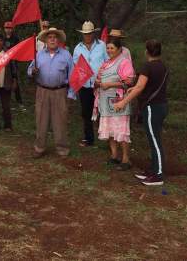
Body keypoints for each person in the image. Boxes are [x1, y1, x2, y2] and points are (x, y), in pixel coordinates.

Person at [113, 39, 169, 186]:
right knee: (154, 139)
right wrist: (135, 88)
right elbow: (147, 85)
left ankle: (158, 175)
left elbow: (139, 87)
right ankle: (154, 169)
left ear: (147, 52)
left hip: (152, 108)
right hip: (161, 106)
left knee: (155, 141)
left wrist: (123, 102)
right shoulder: (163, 66)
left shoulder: (147, 66)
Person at [28, 27, 75, 158]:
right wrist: (33, 72)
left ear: (59, 40)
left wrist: (71, 94)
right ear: (46, 40)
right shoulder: (39, 54)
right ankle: (39, 147)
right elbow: (30, 70)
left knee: (60, 120)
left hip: (60, 91)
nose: (53, 39)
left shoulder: (66, 55)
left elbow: (73, 76)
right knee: (41, 120)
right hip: (42, 91)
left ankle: (62, 149)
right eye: (50, 37)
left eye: (55, 37)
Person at [94, 36, 135, 170]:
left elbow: (129, 82)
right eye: (108, 48)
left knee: (121, 130)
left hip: (119, 100)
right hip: (105, 101)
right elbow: (98, 79)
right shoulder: (106, 63)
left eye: (112, 48)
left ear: (119, 49)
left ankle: (125, 159)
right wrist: (98, 83)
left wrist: (110, 84)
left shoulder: (124, 63)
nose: (109, 50)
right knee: (110, 129)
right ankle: (114, 156)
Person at [72, 21, 108, 147]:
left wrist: (103, 77)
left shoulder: (102, 46)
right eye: (85, 34)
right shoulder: (78, 48)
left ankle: (106, 137)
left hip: (100, 85)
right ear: (82, 34)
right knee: (86, 112)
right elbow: (75, 66)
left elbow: (108, 63)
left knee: (103, 111)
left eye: (89, 33)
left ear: (93, 33)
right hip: (85, 85)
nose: (87, 36)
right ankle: (89, 138)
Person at [3, 21, 23, 105]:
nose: (8, 30)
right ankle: (6, 100)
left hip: (13, 61)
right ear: (4, 29)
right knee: (5, 80)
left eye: (10, 28)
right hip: (4, 61)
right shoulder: (2, 38)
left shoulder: (15, 38)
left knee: (15, 80)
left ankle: (19, 101)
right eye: (7, 28)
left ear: (12, 29)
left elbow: (19, 49)